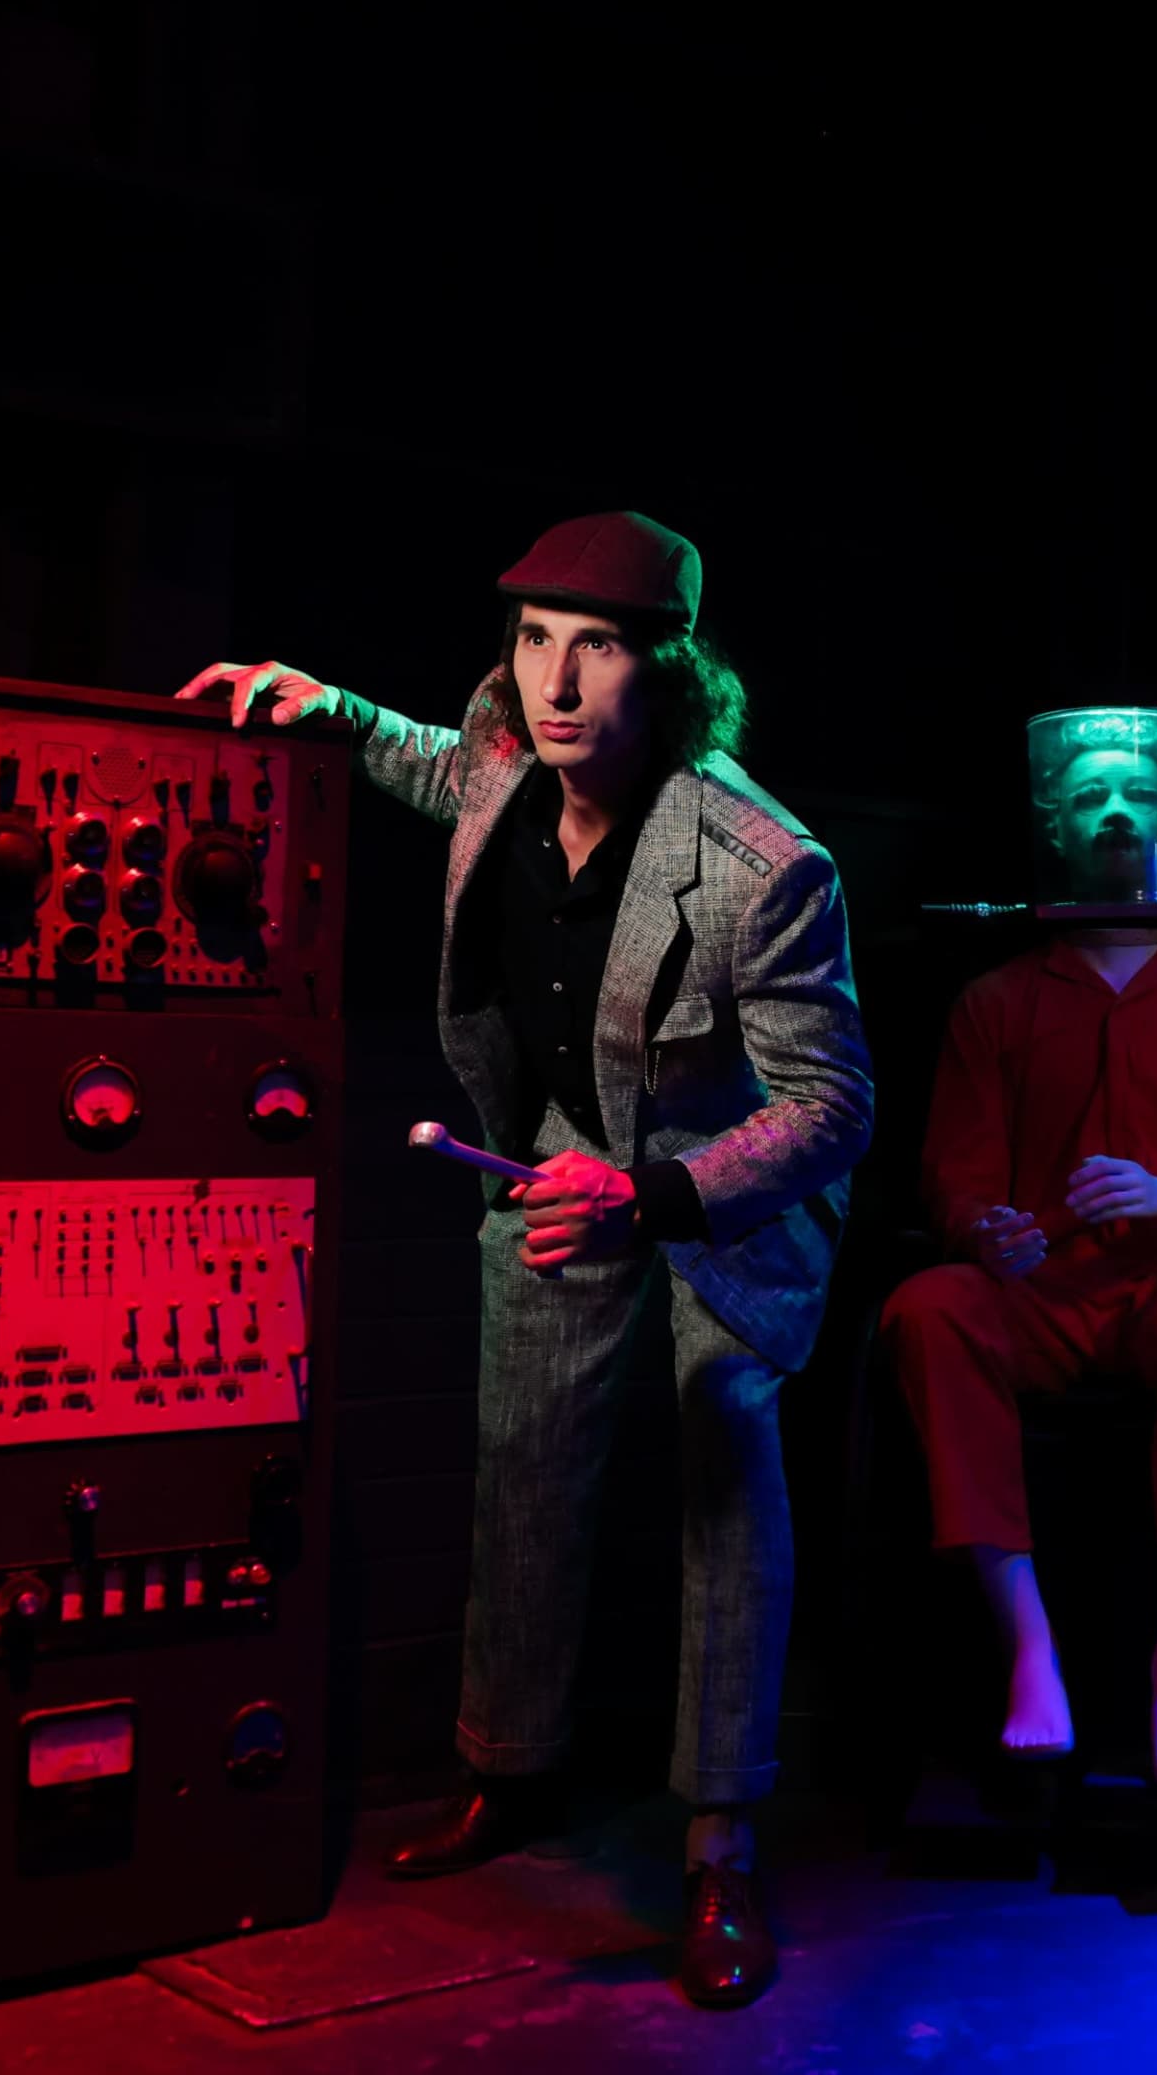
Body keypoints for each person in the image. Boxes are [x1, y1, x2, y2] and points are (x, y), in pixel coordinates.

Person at [179, 511, 869, 2012]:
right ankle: (510, 1767)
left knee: (726, 1456)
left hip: (716, 1188)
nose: (555, 682)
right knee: (525, 1456)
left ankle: (721, 1835)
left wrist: (656, 1191)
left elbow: (830, 1110)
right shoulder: (507, 746)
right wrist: (322, 701)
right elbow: (439, 764)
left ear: (668, 671)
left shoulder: (765, 864)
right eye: (535, 639)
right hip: (560, 1150)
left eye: (597, 646)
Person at [878, 714, 1157, 1791]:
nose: (1116, 813)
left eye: (1137, 795)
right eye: (1089, 797)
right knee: (930, 1305)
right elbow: (956, 1173)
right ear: (1056, 826)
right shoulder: (997, 1002)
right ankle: (1029, 1646)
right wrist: (989, 1227)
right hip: (1039, 1297)